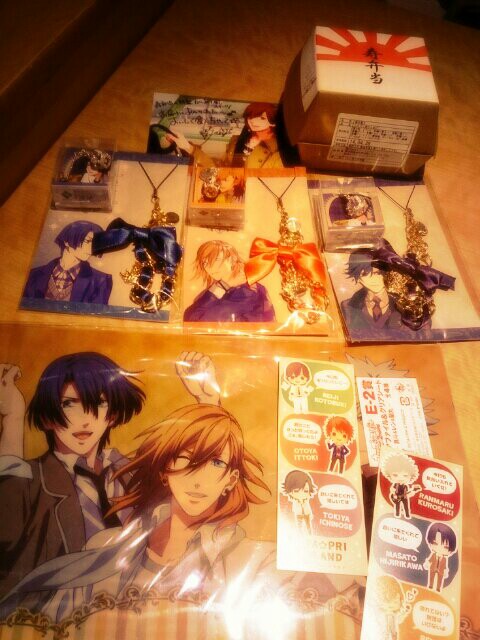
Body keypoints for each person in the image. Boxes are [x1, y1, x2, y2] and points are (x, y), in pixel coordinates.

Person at [0, 353, 146, 598]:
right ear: (47, 416)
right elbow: (6, 533)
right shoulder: (30, 482)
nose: (84, 419)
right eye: (68, 404)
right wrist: (13, 418)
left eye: (98, 403)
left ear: (112, 414)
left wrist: (209, 402)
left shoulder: (131, 472)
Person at [166, 102, 284, 168]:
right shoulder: (238, 141)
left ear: (273, 122)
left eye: (262, 118)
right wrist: (187, 147)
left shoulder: (278, 154)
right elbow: (219, 169)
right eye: (251, 116)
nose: (253, 121)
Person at [341, 250, 428, 340]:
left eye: (377, 273)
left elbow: (424, 337)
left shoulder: (408, 303)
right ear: (358, 278)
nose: (373, 279)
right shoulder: (347, 307)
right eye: (365, 274)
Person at [184, 240, 276, 322]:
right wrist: (222, 286)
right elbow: (188, 317)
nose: (210, 267)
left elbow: (206, 321)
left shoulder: (249, 290)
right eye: (205, 263)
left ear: (233, 258)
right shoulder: (217, 288)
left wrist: (222, 287)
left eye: (216, 260)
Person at [23, 220, 112, 304]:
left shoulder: (101, 280)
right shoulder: (33, 274)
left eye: (95, 243)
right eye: (87, 241)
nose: (91, 248)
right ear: (67, 241)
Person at [381, 452, 422, 519]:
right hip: (397, 497)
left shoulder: (405, 486)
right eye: (395, 475)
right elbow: (392, 490)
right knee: (397, 507)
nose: (400, 478)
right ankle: (397, 514)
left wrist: (412, 492)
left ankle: (407, 515)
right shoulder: (395, 485)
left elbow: (408, 492)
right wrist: (394, 495)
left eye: (405, 475)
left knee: (406, 507)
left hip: (405, 498)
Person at [423, 523, 457, 592]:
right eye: (435, 543)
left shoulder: (444, 559)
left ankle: (438, 588)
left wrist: (445, 571)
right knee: (431, 577)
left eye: (446, 547)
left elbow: (445, 566)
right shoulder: (433, 555)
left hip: (440, 571)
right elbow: (429, 560)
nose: (440, 548)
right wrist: (427, 563)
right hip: (432, 568)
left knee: (440, 579)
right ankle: (430, 585)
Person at [281, 470, 317, 534]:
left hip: (307, 514)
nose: (301, 494)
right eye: (296, 491)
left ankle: (310, 534)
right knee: (299, 526)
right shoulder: (294, 501)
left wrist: (310, 514)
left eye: (306, 491)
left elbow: (308, 508)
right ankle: (300, 534)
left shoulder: (307, 500)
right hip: (298, 514)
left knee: (308, 525)